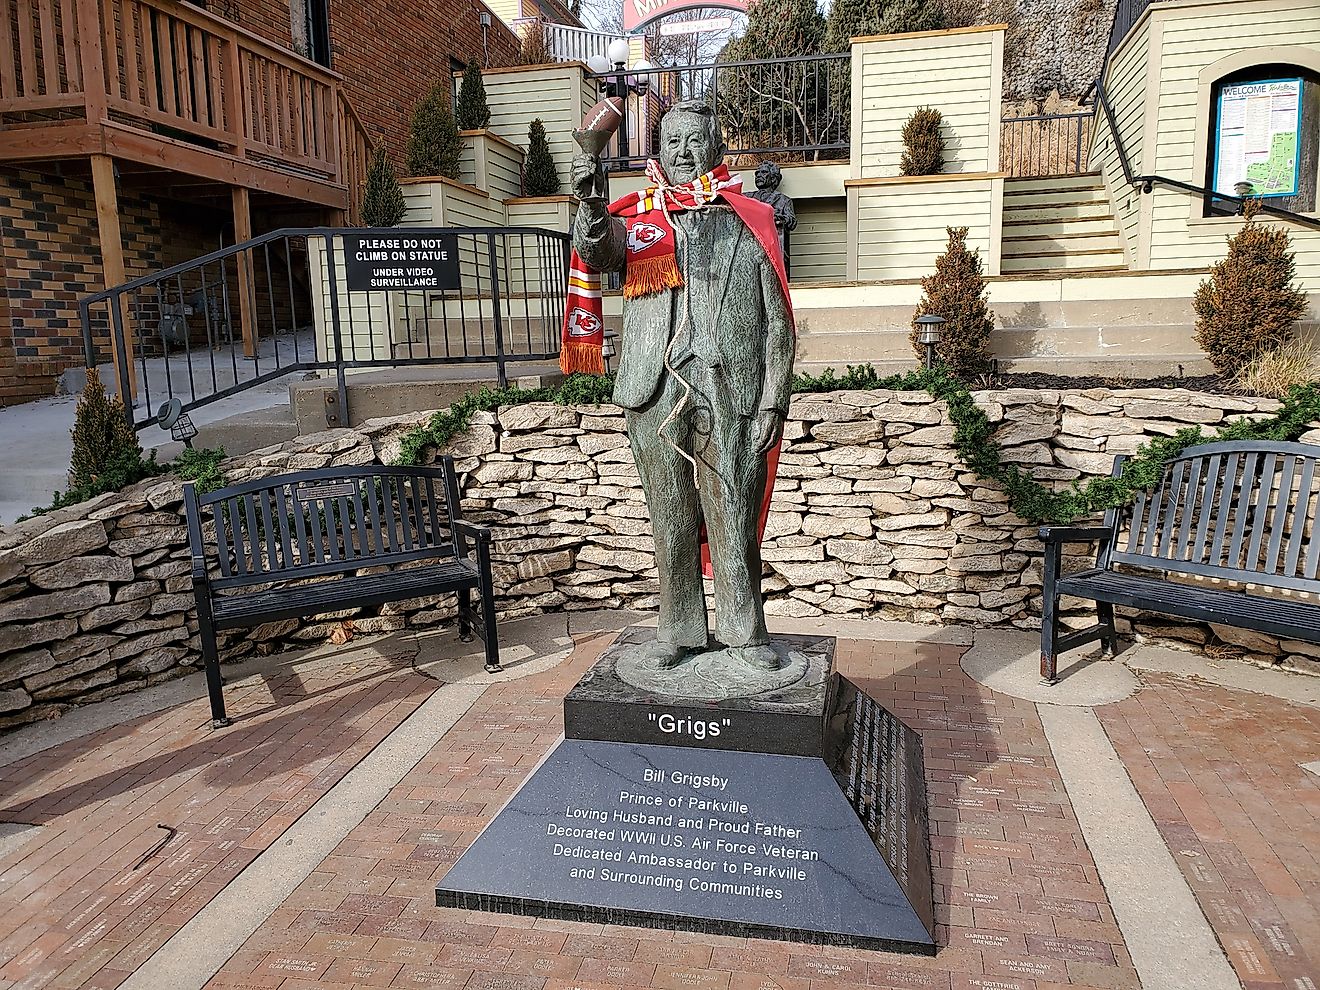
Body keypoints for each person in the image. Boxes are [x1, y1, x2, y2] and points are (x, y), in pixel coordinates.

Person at [569, 102, 795, 672]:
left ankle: (744, 634)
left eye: (696, 141)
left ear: (717, 148)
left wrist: (773, 395)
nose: (684, 152)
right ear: (659, 150)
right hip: (654, 388)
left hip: (729, 387)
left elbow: (776, 320)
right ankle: (680, 629)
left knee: (733, 511)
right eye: (673, 142)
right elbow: (595, 246)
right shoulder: (640, 222)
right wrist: (590, 193)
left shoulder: (752, 221)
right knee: (669, 513)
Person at [746, 161, 797, 260]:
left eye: (763, 173)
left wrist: (779, 217)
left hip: (771, 246)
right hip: (748, 243)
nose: (759, 176)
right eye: (757, 173)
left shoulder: (784, 200)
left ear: (773, 178)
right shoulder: (746, 197)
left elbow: (792, 222)